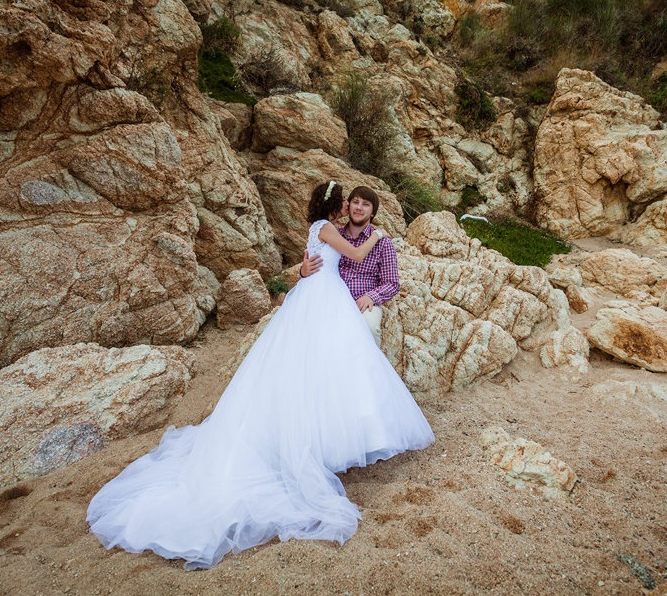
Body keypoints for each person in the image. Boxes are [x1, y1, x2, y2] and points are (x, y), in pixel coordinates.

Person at [86, 181, 435, 569]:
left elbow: (335, 263)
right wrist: (374, 239)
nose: (347, 208)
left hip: (325, 296)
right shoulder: (328, 228)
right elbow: (351, 252)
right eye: (345, 202)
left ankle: (330, 432)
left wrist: (315, 266)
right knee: (319, 362)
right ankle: (322, 436)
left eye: (356, 204)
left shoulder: (317, 229)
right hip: (323, 298)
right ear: (336, 205)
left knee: (320, 362)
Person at [299, 185, 398, 348]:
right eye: (355, 202)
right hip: (332, 299)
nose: (359, 207)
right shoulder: (333, 234)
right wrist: (303, 271)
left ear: (373, 212)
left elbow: (392, 284)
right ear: (348, 205)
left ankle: (369, 371)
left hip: (363, 302)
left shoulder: (383, 243)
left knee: (369, 327)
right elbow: (317, 265)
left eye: (365, 204)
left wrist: (371, 297)